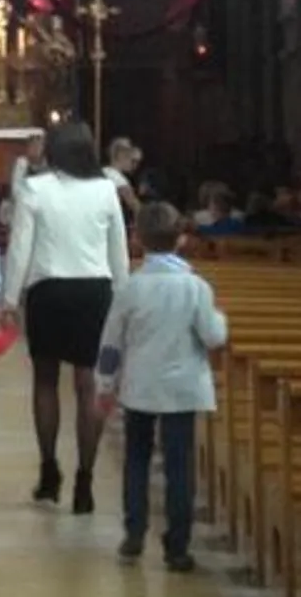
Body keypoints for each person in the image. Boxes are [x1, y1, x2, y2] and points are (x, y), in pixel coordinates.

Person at [0, 117, 130, 515]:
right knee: (88, 385)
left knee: (45, 382)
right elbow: (118, 251)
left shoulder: (35, 190)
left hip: (49, 290)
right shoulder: (106, 190)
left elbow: (20, 248)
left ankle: (49, 471)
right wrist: (123, 301)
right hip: (94, 291)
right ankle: (86, 481)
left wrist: (9, 299)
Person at [96, 202, 231, 571]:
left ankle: (135, 531)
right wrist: (221, 319)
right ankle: (177, 546)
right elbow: (213, 336)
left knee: (136, 459)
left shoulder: (130, 288)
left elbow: (111, 343)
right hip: (183, 388)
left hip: (140, 385)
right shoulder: (196, 288)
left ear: (137, 239)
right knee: (179, 464)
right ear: (182, 239)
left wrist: (104, 385)